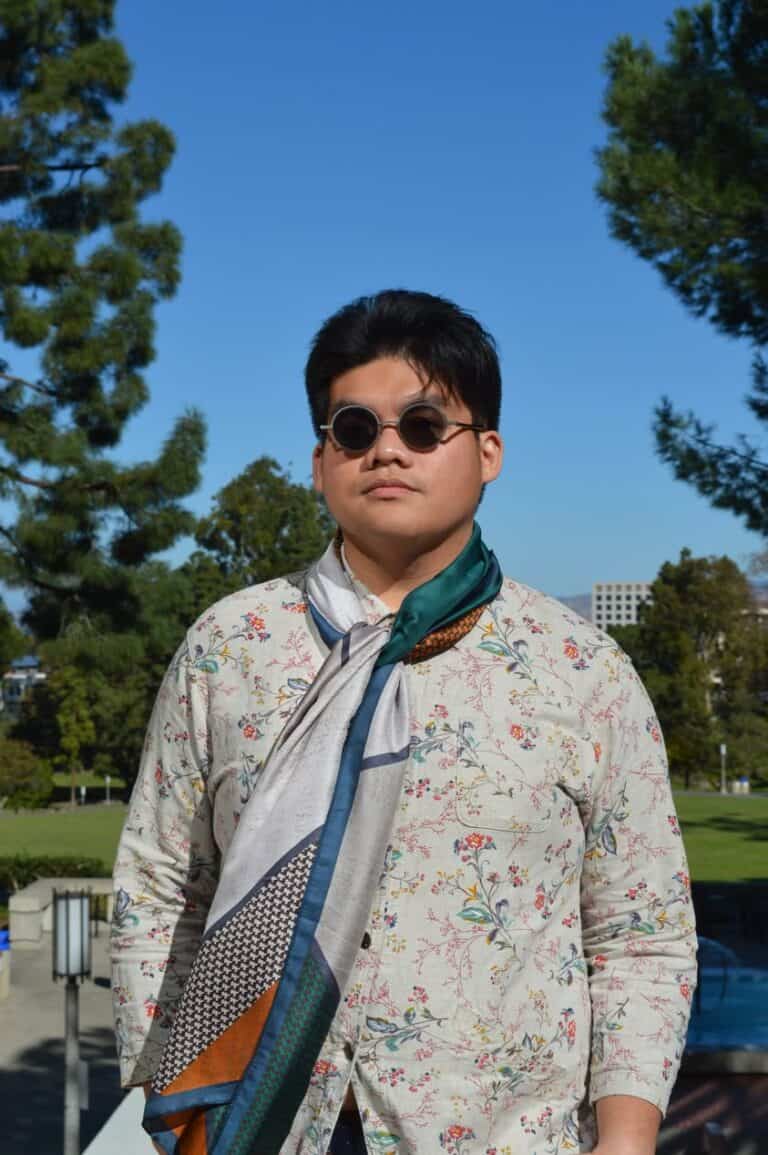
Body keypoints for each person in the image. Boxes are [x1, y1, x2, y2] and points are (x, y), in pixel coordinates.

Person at [111, 289, 697, 1155]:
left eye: (424, 426)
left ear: (487, 451)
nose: (387, 448)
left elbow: (639, 934)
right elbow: (158, 890)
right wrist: (170, 1109)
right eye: (355, 428)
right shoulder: (229, 648)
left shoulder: (582, 672)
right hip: (256, 1126)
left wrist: (625, 1142)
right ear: (321, 460)